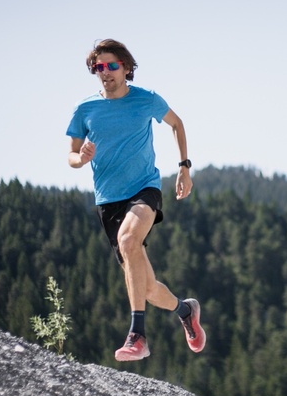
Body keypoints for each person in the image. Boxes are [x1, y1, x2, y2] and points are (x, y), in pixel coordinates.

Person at [65, 38, 206, 362]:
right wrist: (81, 158)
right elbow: (70, 155)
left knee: (129, 239)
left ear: (126, 68)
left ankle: (137, 336)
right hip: (108, 202)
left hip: (144, 189)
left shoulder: (146, 100)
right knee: (146, 288)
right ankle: (186, 310)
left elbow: (176, 124)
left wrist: (184, 168)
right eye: (99, 67)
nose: (105, 72)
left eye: (112, 65)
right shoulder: (85, 109)